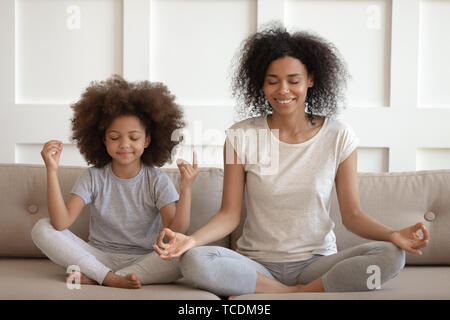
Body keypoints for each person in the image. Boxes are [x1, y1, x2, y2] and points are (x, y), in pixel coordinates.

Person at [153, 24, 429, 297]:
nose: (283, 90)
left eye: (294, 81)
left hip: (317, 262)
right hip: (256, 264)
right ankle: (295, 291)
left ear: (311, 78)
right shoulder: (241, 135)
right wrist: (191, 240)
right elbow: (229, 215)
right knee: (193, 259)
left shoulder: (338, 135)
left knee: (392, 255)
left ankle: (295, 290)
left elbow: (353, 216)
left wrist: (392, 234)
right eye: (272, 81)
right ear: (261, 83)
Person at [31, 75, 198, 289]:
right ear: (103, 140)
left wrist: (186, 190)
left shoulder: (157, 179)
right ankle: (110, 278)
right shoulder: (94, 176)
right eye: (115, 137)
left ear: (147, 140)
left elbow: (176, 231)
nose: (124, 144)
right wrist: (51, 171)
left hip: (145, 259)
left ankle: (98, 277)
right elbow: (61, 223)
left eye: (134, 138)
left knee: (188, 253)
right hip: (97, 255)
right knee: (41, 228)